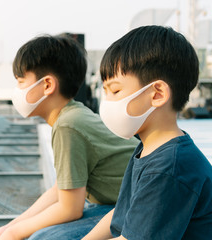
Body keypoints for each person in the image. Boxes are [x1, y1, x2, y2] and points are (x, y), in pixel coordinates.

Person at [0, 34, 139, 240]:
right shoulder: (73, 115)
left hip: (131, 209)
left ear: (47, 85)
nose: (17, 91)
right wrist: (11, 227)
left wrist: (15, 233)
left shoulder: (68, 125)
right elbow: (61, 188)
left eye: (21, 82)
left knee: (42, 238)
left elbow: (70, 209)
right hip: (120, 204)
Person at [82, 25, 212, 240]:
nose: (107, 104)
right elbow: (123, 213)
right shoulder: (150, 148)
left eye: (115, 91)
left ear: (157, 94)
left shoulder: (169, 168)